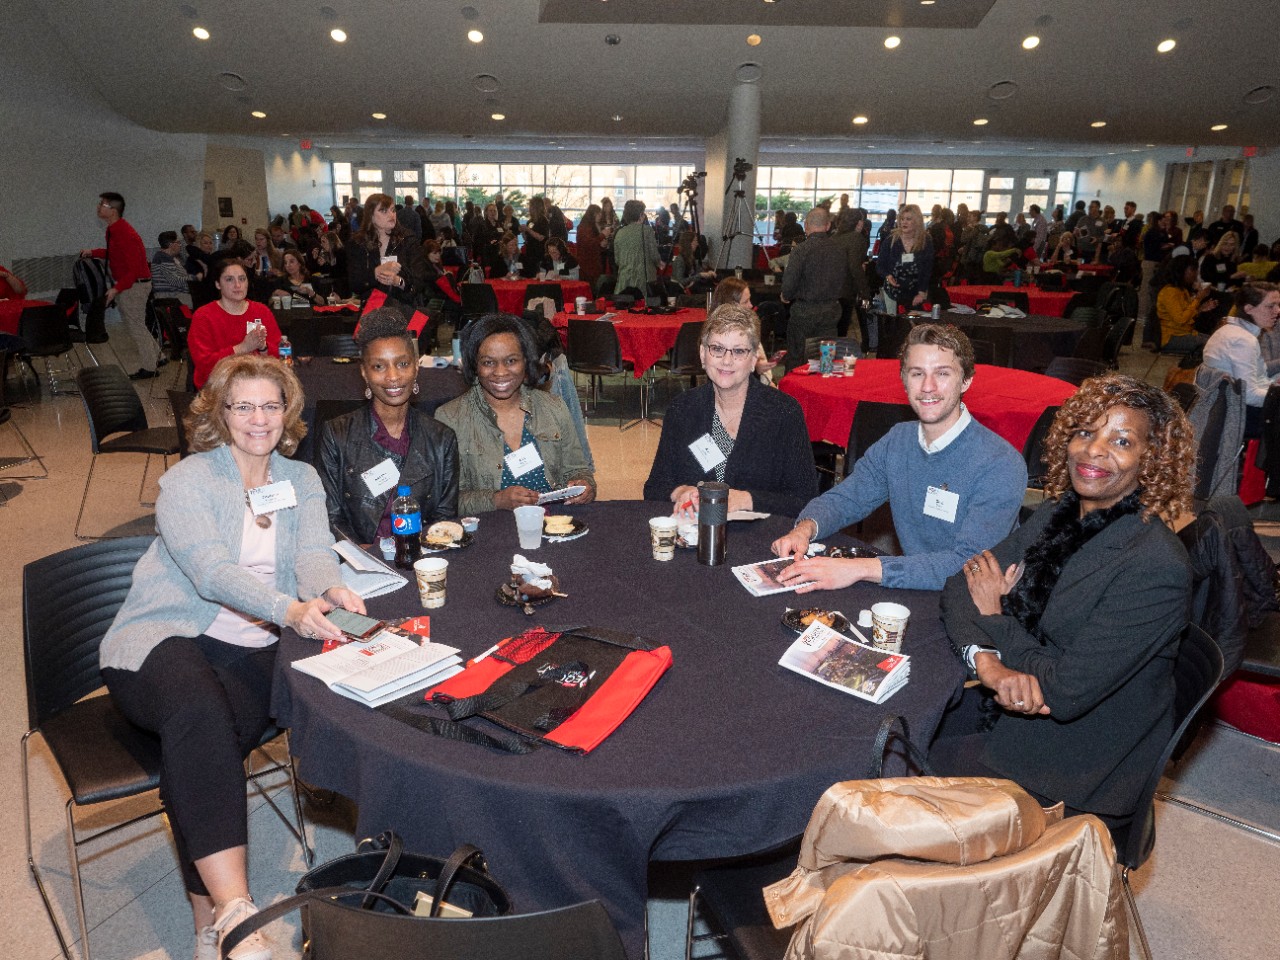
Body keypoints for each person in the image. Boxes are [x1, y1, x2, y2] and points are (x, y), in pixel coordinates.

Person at [99, 353, 366, 960]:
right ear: (220, 412)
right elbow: (211, 572)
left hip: (250, 648)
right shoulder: (190, 480)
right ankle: (237, 911)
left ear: (287, 412)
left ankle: (207, 924)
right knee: (198, 715)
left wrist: (326, 590)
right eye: (243, 405)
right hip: (165, 636)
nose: (258, 418)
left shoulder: (300, 480)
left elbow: (314, 552)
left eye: (270, 405)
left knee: (201, 748)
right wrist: (290, 609)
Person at [930, 374, 1194, 828]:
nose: (1093, 450)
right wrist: (989, 665)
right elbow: (961, 583)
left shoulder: (1155, 566)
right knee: (895, 725)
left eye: (1122, 441)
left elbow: (1064, 693)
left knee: (900, 769)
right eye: (1085, 432)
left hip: (1078, 765)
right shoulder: (1058, 513)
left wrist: (995, 617)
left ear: (1151, 461)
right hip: (1017, 703)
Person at [771, 324, 1027, 592]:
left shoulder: (1001, 464)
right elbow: (849, 497)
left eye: (942, 373)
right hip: (916, 586)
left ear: (966, 380)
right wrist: (806, 527)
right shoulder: (898, 440)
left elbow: (968, 566)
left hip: (982, 604)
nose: (928, 387)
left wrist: (861, 568)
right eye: (917, 374)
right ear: (904, 380)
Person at [643, 304, 817, 517]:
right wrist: (680, 491)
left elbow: (805, 500)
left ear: (754, 359)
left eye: (738, 351)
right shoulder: (682, 410)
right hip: (695, 537)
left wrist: (745, 499)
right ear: (702, 354)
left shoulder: (784, 413)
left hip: (765, 539)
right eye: (717, 348)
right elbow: (654, 488)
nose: (726, 360)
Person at [319, 309, 460, 544]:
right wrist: (366, 557)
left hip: (422, 557)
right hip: (362, 563)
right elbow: (330, 518)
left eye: (402, 363)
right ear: (364, 372)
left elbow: (444, 518)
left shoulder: (441, 438)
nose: (393, 376)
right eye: (379, 367)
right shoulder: (337, 434)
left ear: (416, 366)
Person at [435, 313, 595, 515]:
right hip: (490, 533)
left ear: (526, 361)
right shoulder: (450, 418)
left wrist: (585, 487)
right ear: (474, 364)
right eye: (488, 362)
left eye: (511, 360)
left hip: (553, 526)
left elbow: (579, 470)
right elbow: (444, 501)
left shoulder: (553, 407)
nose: (500, 372)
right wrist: (497, 500)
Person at [80, 191, 157, 379]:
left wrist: (115, 289)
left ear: (113, 210)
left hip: (135, 285)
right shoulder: (114, 229)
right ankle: (158, 357)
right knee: (137, 324)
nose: (98, 207)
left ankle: (149, 367)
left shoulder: (124, 232)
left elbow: (134, 269)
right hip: (130, 284)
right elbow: (116, 254)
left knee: (136, 326)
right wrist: (94, 252)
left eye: (103, 205)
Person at [189, 256, 282, 389]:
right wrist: (242, 348)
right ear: (218, 284)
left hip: (259, 383)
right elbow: (205, 365)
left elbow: (280, 355)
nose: (238, 285)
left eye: (242, 279)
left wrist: (263, 347)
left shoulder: (261, 311)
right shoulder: (203, 316)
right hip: (218, 388)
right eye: (229, 279)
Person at [1203, 283, 1280, 436]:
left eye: (1278, 305)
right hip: (1238, 417)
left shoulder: (1229, 330)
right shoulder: (1243, 340)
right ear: (1249, 309)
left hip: (1226, 409)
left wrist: (1274, 386)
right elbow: (1249, 395)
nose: (1277, 311)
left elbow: (1257, 376)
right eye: (1271, 306)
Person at [780, 206, 845, 371]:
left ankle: (793, 393)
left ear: (806, 225)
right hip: (831, 310)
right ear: (828, 225)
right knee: (826, 359)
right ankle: (822, 390)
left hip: (804, 311)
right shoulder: (839, 250)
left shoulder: (801, 250)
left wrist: (786, 295)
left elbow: (790, 282)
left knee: (797, 357)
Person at [347, 193, 427, 313]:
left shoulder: (409, 240)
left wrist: (397, 281)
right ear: (371, 216)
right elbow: (355, 284)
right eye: (384, 211)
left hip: (406, 309)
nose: (391, 214)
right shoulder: (358, 243)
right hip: (372, 312)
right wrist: (376, 272)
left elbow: (420, 281)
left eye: (393, 210)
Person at [876, 203, 934, 314]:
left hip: (917, 293)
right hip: (893, 293)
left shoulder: (925, 241)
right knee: (893, 325)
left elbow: (927, 269)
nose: (904, 222)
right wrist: (888, 276)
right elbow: (880, 265)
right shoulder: (891, 240)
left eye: (908, 219)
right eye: (902, 219)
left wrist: (922, 292)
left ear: (917, 221)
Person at [1156, 255, 1217, 350]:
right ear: (1181, 271)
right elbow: (1181, 319)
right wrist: (1198, 299)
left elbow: (1186, 314)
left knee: (1216, 340)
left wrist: (1200, 309)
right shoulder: (1169, 292)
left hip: (1185, 333)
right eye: (1193, 270)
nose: (1196, 274)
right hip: (1172, 337)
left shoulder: (1182, 290)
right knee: (1214, 345)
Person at [611, 199, 662, 298]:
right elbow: (654, 256)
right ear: (640, 215)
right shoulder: (647, 231)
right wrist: (659, 263)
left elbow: (617, 260)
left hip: (624, 282)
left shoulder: (619, 233)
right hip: (644, 283)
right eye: (643, 213)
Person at [151, 230, 194, 307]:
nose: (180, 245)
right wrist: (194, 278)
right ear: (171, 245)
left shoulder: (169, 257)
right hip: (172, 300)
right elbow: (175, 281)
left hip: (176, 297)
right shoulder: (163, 258)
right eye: (178, 243)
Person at [575, 204, 605, 287]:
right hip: (587, 265)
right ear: (593, 214)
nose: (600, 216)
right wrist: (602, 235)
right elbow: (589, 244)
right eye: (599, 214)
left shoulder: (591, 226)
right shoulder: (584, 228)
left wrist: (601, 245)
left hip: (593, 263)